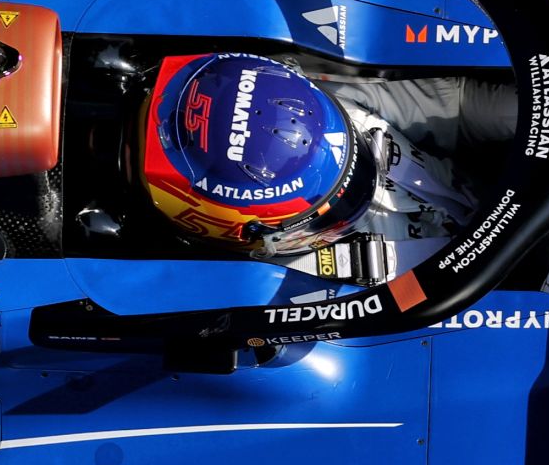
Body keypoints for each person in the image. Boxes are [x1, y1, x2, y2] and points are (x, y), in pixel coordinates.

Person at [139, 50, 515, 287]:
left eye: (358, 160)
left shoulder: (323, 111)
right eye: (333, 205)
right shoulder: (270, 287)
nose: (361, 190)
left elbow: (452, 107)